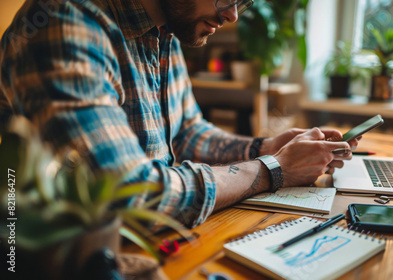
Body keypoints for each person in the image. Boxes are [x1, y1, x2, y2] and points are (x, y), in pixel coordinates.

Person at [0, 0, 358, 228]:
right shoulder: (63, 23)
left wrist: (265, 147)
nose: (233, 14)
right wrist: (274, 169)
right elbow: (129, 195)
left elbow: (188, 132)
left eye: (243, 2)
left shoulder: (165, 30)